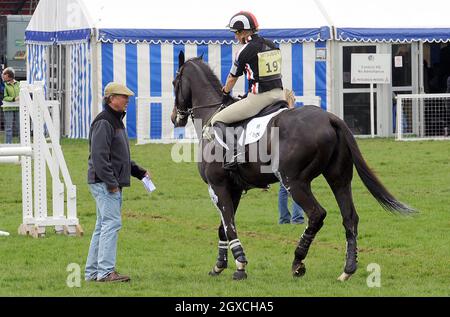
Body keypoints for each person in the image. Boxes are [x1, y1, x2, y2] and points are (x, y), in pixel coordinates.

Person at [85, 82, 150, 283]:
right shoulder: (105, 122)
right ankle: (105, 272)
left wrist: (140, 173)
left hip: (104, 181)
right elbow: (99, 157)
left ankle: (93, 272)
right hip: (105, 183)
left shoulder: (114, 120)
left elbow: (119, 157)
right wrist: (112, 183)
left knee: (102, 225)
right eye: (124, 96)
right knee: (111, 224)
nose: (127, 100)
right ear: (111, 98)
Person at [209, 11, 285, 169]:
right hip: (279, 94)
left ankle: (237, 153)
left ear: (242, 32)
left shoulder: (244, 50)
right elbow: (263, 74)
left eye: (235, 33)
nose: (235, 37)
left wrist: (224, 93)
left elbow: (232, 78)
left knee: (217, 120)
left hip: (260, 98)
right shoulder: (272, 44)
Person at [2, 67, 20, 144]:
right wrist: (13, 99)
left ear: (9, 75)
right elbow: (4, 97)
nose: (2, 76)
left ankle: (22, 144)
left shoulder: (19, 84)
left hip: (18, 108)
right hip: (8, 109)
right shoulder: (4, 85)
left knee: (20, 127)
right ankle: (8, 144)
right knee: (8, 128)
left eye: (4, 74)